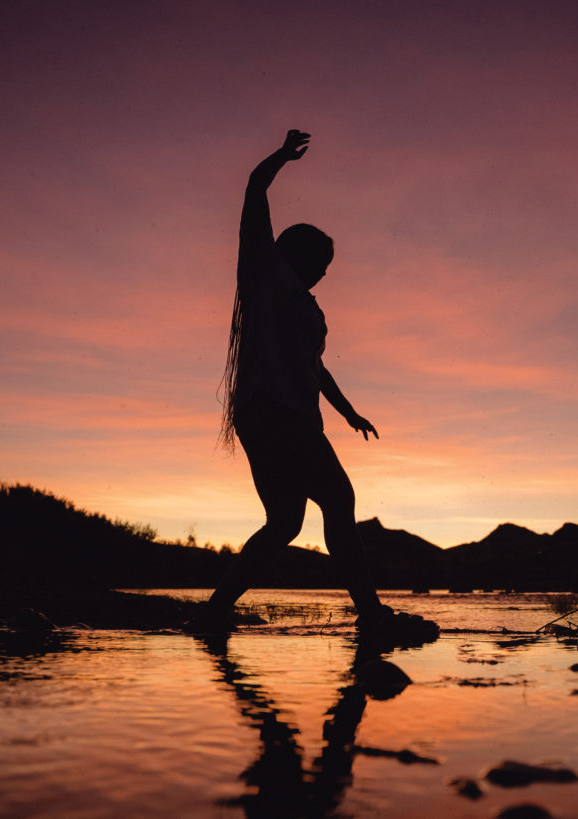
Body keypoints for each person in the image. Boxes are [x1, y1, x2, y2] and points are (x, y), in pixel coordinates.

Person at [187, 130, 437, 643]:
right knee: (339, 498)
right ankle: (371, 616)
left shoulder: (309, 308)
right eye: (320, 261)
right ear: (296, 253)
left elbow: (316, 369)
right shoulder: (264, 272)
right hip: (274, 413)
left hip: (283, 415)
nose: (324, 272)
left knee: (284, 524)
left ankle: (213, 613)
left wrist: (349, 413)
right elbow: (255, 191)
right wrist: (281, 156)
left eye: (327, 266)